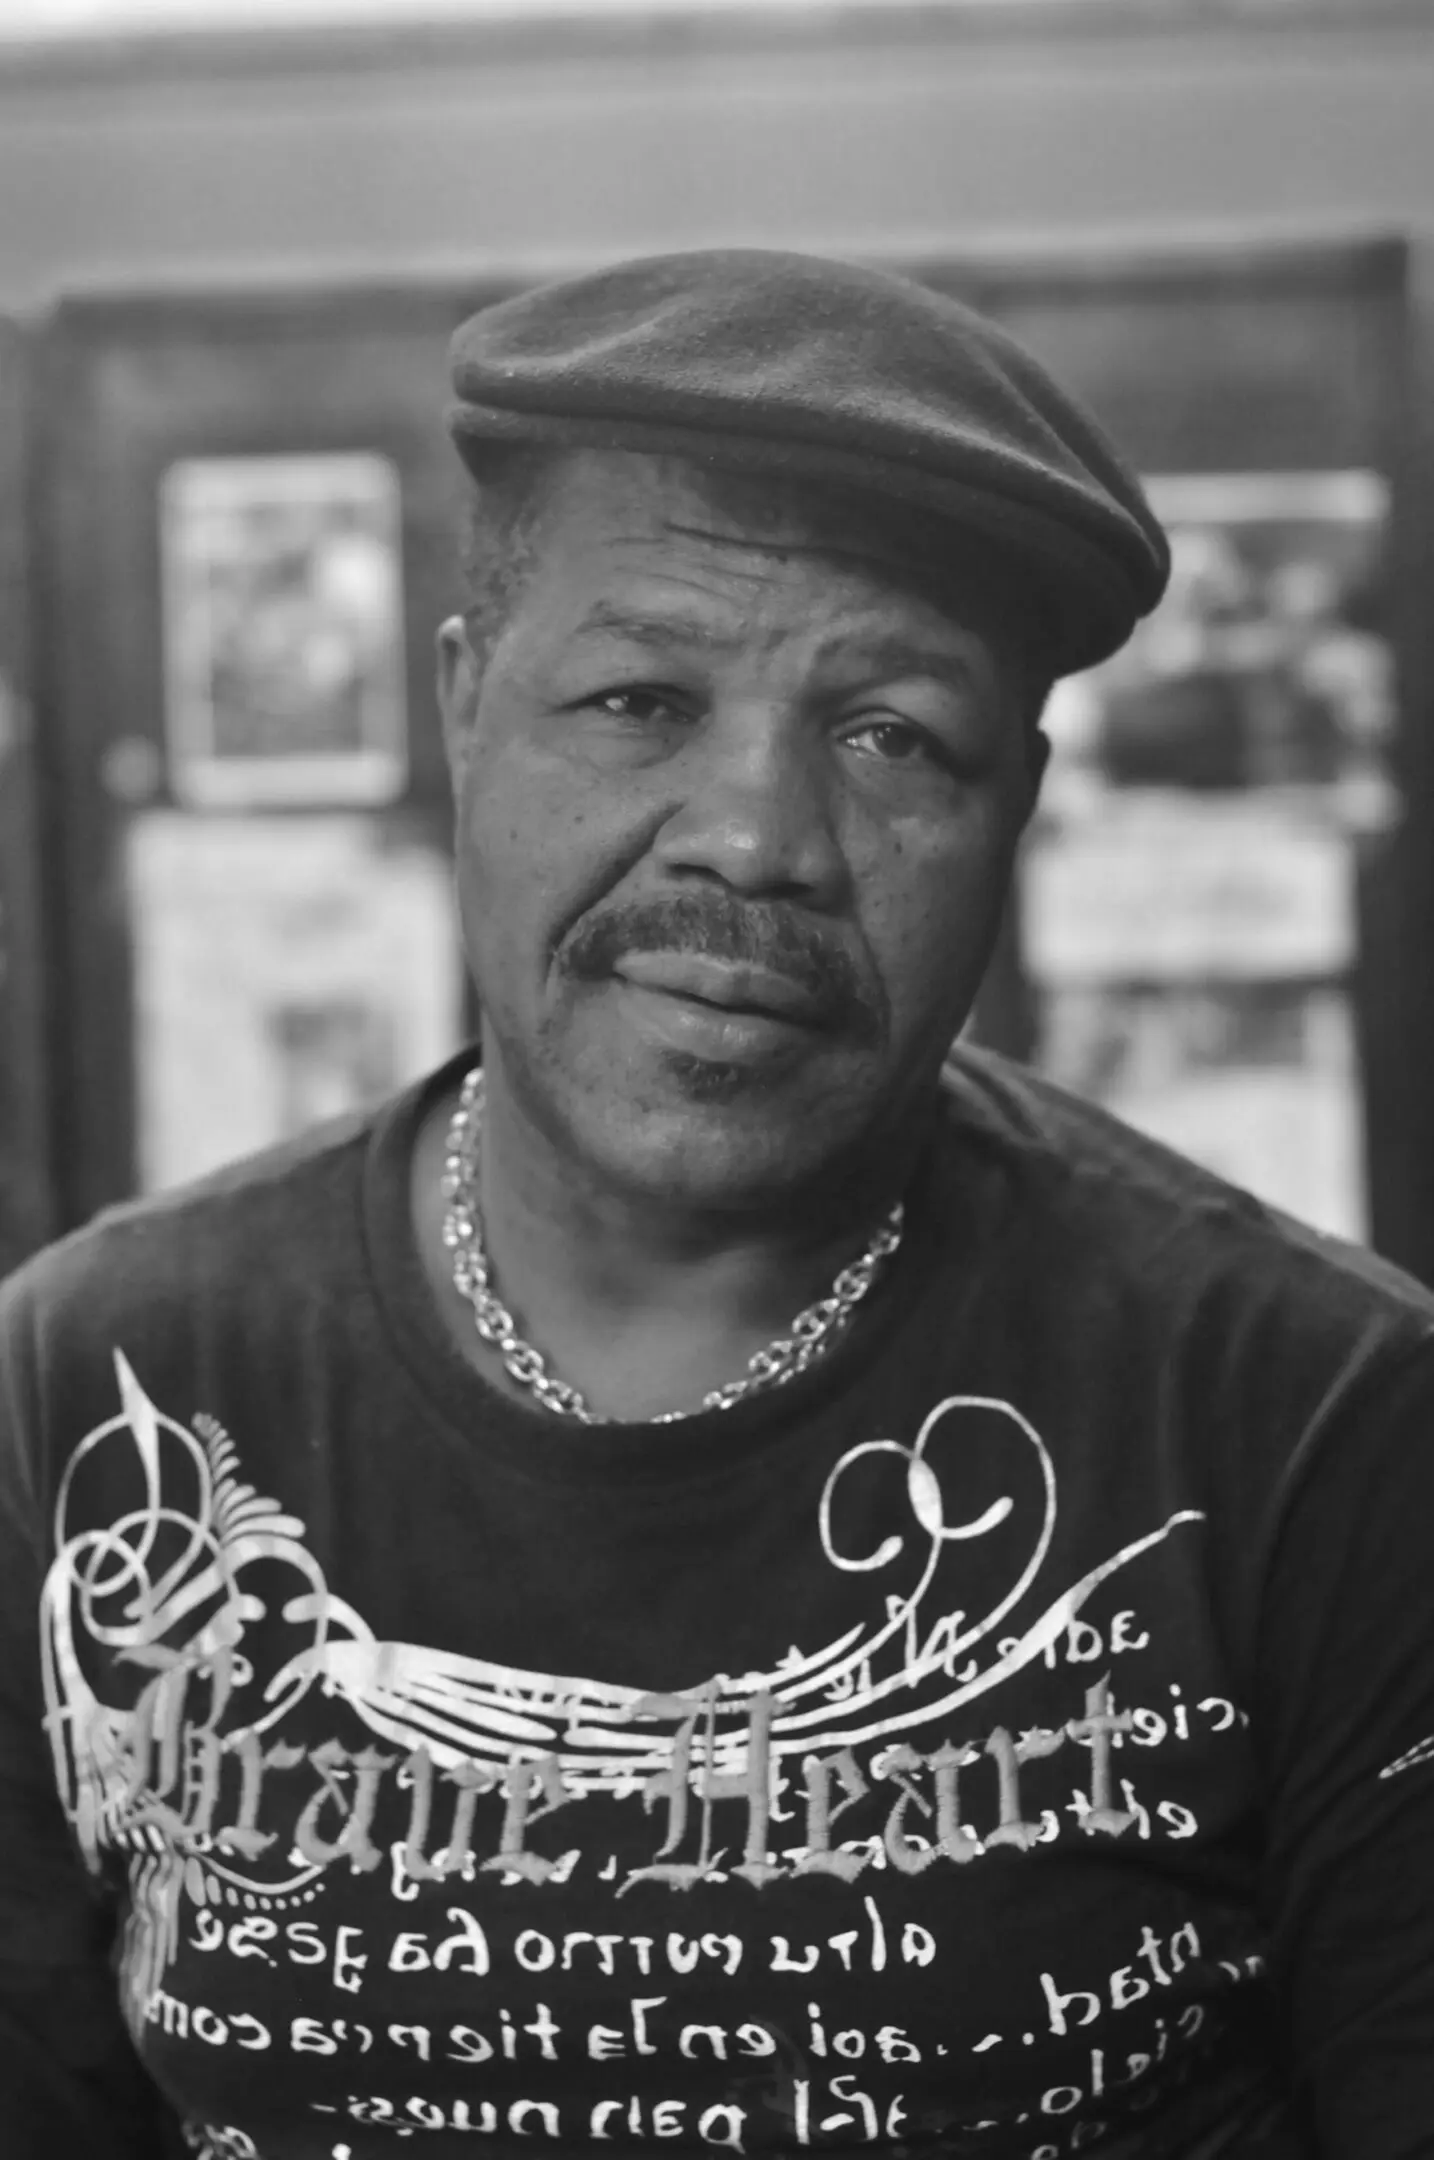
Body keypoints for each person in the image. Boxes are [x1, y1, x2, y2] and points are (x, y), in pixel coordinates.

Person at [1, 248, 1432, 2160]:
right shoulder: (91, 1386)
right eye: (636, 698)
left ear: (1014, 802)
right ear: (464, 709)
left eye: (891, 734)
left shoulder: (1320, 1423)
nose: (756, 837)